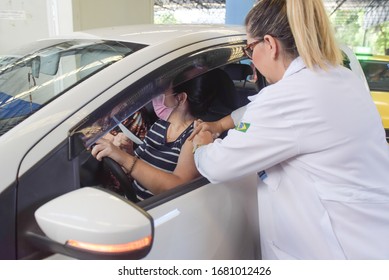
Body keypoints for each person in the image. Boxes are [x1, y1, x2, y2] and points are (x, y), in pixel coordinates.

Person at [190, 0, 389, 259]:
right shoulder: (338, 77)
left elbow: (217, 165)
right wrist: (220, 124)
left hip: (337, 251)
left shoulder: (288, 98)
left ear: (270, 44)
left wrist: (203, 142)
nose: (252, 63)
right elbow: (271, 114)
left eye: (250, 49)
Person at [91, 67, 221, 201]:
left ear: (181, 98)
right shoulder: (160, 125)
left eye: (167, 89)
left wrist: (124, 158)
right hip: (131, 203)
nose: (162, 94)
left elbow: (177, 186)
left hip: (155, 213)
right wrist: (127, 151)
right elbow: (140, 167)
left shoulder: (197, 136)